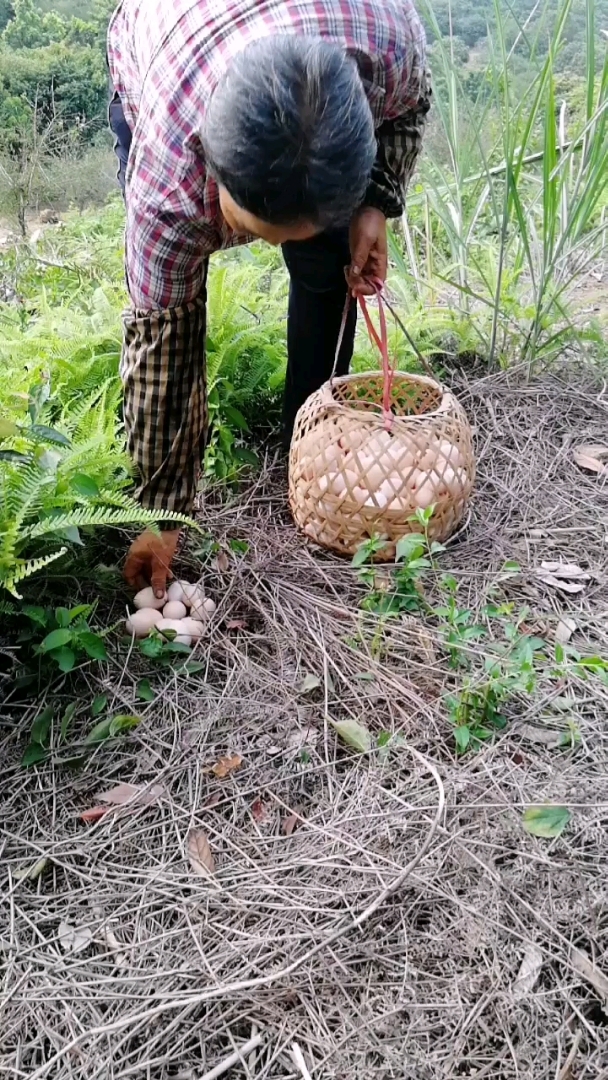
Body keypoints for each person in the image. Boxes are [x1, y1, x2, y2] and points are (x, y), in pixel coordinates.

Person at [107, 0, 431, 596]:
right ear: (210, 161)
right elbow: (163, 352)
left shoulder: (390, 45)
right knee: (171, 310)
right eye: (253, 228)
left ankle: (304, 447)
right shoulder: (167, 189)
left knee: (326, 267)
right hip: (162, 39)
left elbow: (409, 110)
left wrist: (374, 203)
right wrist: (162, 514)